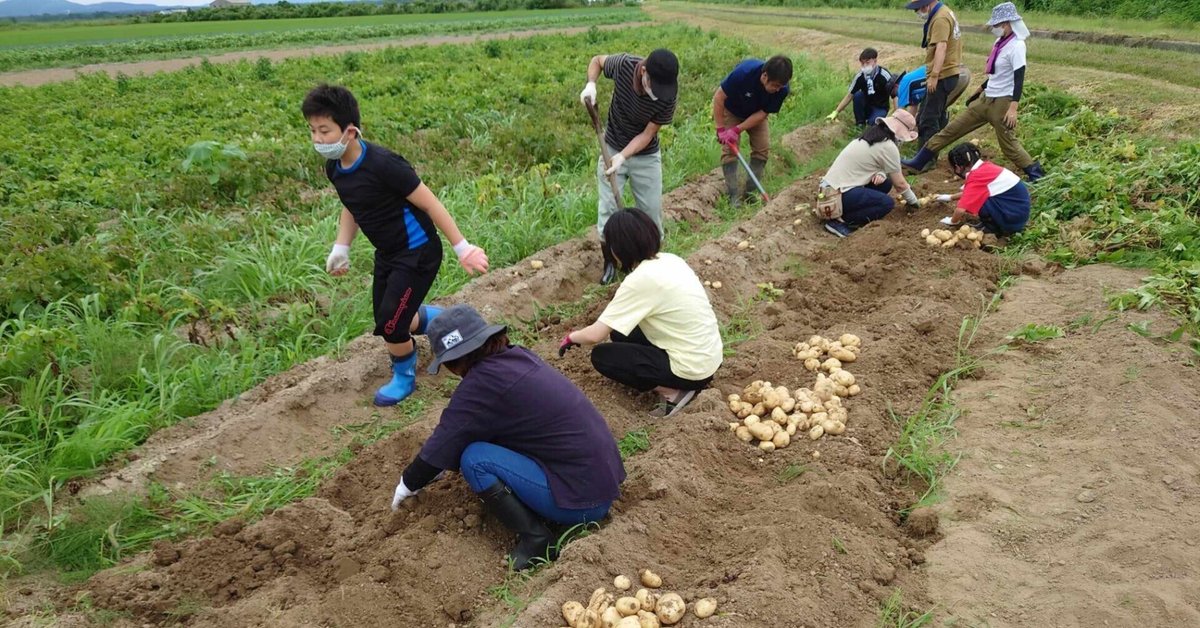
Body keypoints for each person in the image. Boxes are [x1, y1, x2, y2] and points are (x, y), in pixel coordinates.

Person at [389, 305, 625, 571]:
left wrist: (407, 484)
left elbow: (444, 440)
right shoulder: (517, 357)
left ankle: (537, 540)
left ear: (454, 362)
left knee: (475, 459)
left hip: (583, 503)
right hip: (600, 482)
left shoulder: (481, 385)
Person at [302, 84, 489, 407]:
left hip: (418, 251)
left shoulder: (384, 165)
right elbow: (352, 205)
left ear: (350, 131)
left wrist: (463, 247)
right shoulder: (335, 168)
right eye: (312, 131)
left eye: (324, 130)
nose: (318, 139)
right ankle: (446, 321)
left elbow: (431, 203)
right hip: (388, 254)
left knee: (392, 323)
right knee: (387, 318)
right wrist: (341, 246)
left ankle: (404, 376)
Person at [558, 209, 722, 418]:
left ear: (618, 249)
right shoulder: (670, 259)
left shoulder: (640, 280)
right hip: (709, 357)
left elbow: (594, 335)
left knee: (603, 356)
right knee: (620, 333)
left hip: (692, 370)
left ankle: (674, 392)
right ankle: (679, 378)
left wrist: (571, 337)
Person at [903, 2, 1044, 181]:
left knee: (1009, 145)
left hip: (1002, 103)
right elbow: (997, 73)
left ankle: (1036, 175)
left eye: (997, 25)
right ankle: (919, 161)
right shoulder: (1000, 43)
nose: (994, 28)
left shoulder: (1017, 46)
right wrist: (979, 90)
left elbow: (1018, 78)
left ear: (1008, 23)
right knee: (951, 130)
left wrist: (1013, 108)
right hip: (985, 100)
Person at [579, 49, 679, 285]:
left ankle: (651, 264)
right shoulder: (624, 65)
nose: (659, 94)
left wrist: (623, 157)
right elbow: (597, 60)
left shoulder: (667, 94)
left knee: (651, 212)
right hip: (611, 146)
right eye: (655, 86)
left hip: (645, 156)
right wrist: (591, 84)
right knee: (607, 209)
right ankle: (611, 263)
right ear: (644, 72)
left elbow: (648, 134)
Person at [818, 110, 923, 238]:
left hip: (828, 191)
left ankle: (841, 213)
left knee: (885, 184)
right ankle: (841, 221)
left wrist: (881, 174)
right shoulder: (888, 146)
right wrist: (914, 202)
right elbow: (900, 184)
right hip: (837, 196)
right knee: (886, 203)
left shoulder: (871, 136)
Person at [712, 55, 793, 207]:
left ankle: (749, 192)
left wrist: (737, 129)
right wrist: (721, 129)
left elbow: (763, 114)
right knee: (729, 150)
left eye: (780, 87)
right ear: (764, 76)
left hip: (756, 114)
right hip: (732, 109)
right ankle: (733, 195)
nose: (777, 90)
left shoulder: (782, 89)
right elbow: (719, 97)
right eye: (775, 85)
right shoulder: (743, 73)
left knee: (762, 149)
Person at [905, 0, 964, 149]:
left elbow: (941, 47)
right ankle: (925, 155)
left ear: (926, 5)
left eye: (917, 9)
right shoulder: (944, 12)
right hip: (946, 73)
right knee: (928, 114)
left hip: (943, 75)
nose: (917, 13)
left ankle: (925, 159)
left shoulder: (940, 18)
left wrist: (934, 75)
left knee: (928, 119)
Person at [938, 143, 1031, 235]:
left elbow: (961, 209)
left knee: (979, 200)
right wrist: (950, 197)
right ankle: (994, 223)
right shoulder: (985, 167)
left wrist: (952, 221)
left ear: (958, 167)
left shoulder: (976, 176)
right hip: (1018, 211)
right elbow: (971, 193)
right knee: (979, 197)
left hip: (1013, 220)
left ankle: (994, 228)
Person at [826, 48, 892, 127]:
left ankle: (872, 122)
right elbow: (849, 95)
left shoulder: (884, 75)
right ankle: (860, 123)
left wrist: (896, 113)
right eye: (862, 63)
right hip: (867, 106)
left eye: (867, 63)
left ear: (875, 61)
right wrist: (836, 112)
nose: (865, 66)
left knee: (874, 124)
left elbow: (894, 94)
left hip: (880, 107)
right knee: (857, 95)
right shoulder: (859, 77)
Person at [889, 63, 972, 116]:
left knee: (931, 112)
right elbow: (912, 110)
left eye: (894, 94)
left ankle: (930, 138)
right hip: (963, 72)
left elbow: (900, 114)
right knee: (939, 109)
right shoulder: (913, 87)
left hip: (954, 74)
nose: (897, 96)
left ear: (896, 85)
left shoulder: (904, 83)